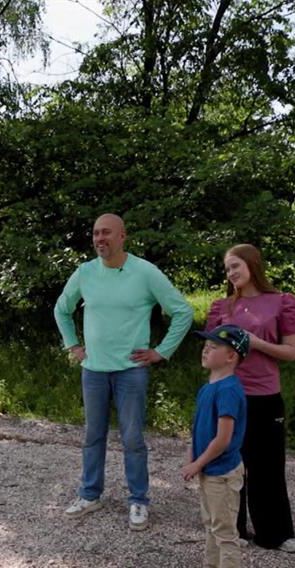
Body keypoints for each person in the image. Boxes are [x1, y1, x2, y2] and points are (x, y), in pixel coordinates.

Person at [54, 213, 193, 531]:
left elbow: (182, 311)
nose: (99, 239)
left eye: (106, 232)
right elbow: (62, 309)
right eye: (95, 233)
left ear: (122, 236)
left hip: (131, 371)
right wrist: (73, 345)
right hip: (93, 370)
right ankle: (90, 494)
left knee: (133, 439)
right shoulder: (85, 272)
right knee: (92, 436)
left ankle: (139, 501)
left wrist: (161, 351)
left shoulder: (145, 272)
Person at [205, 243, 295, 553]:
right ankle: (232, 530)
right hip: (229, 394)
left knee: (268, 466)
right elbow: (209, 352)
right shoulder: (222, 307)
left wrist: (257, 343)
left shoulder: (281, 302)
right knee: (229, 463)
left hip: (265, 395)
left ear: (253, 264)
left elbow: (291, 352)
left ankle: (275, 533)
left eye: (236, 265)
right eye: (227, 268)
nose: (231, 272)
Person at [174, 324, 250, 568]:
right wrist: (192, 454)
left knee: (226, 533)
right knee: (211, 524)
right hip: (209, 469)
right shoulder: (209, 387)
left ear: (232, 356)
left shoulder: (229, 390)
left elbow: (223, 439)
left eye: (213, 347)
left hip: (222, 472)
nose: (205, 350)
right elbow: (199, 427)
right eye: (205, 345)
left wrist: (198, 463)